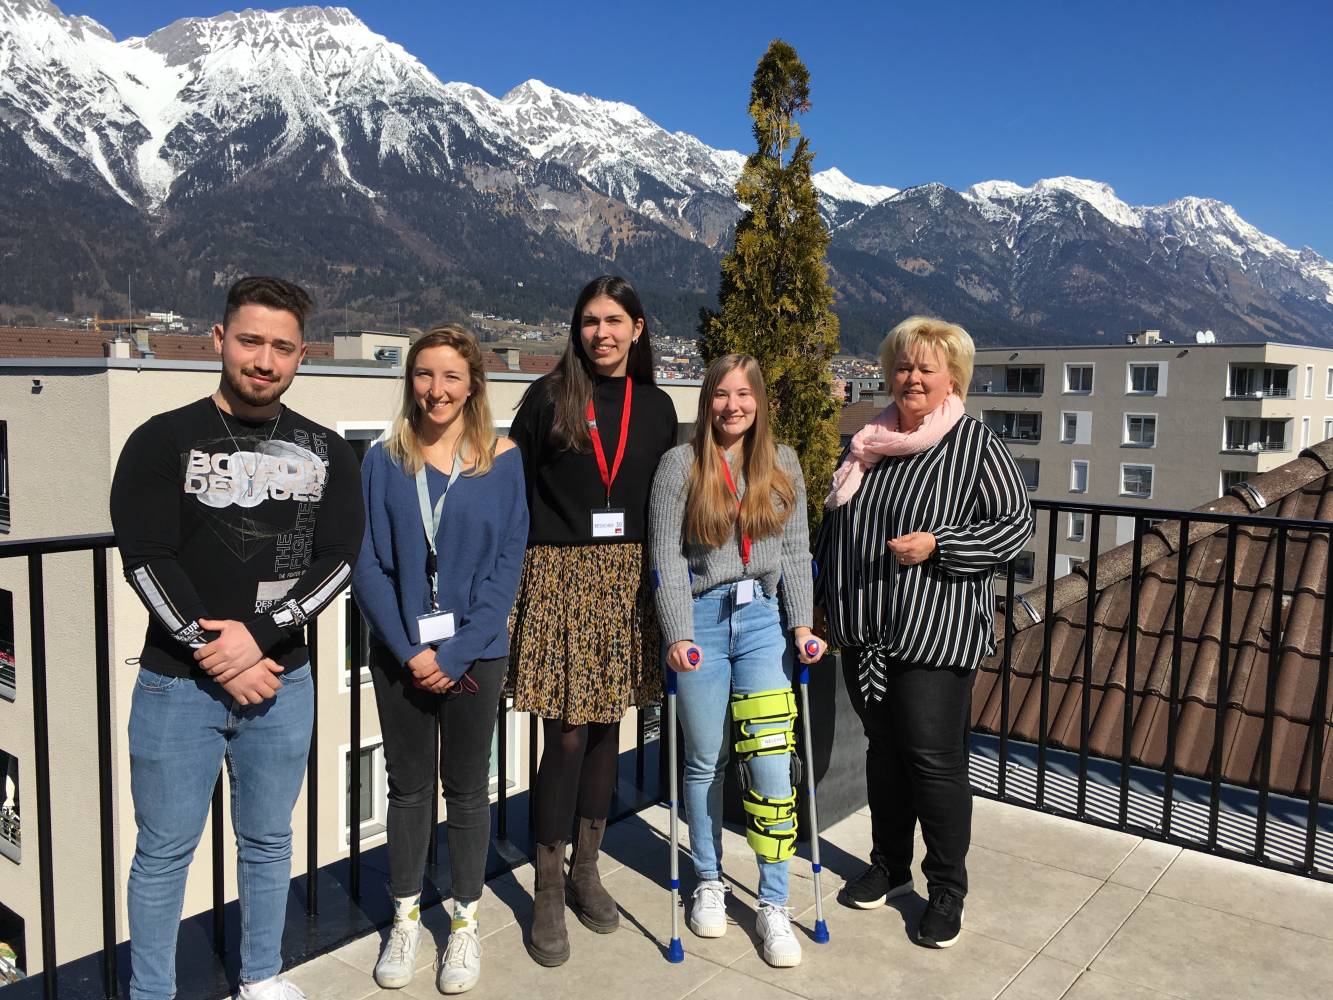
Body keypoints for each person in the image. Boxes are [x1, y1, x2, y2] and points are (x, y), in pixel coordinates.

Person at [110, 276, 364, 1000]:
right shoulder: (160, 440)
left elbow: (336, 561)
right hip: (175, 686)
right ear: (218, 340)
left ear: (302, 356)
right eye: (251, 340)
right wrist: (212, 652)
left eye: (282, 347)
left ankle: (260, 977)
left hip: (281, 683)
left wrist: (257, 639)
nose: (265, 359)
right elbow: (146, 559)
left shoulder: (328, 452)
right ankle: (151, 992)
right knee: (162, 853)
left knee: (267, 843)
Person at [813, 316, 1033, 949]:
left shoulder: (973, 444)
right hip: (864, 630)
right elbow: (836, 529)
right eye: (904, 366)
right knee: (883, 754)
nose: (912, 377)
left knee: (933, 763)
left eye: (925, 368)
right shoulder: (867, 440)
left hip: (933, 631)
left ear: (952, 378)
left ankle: (946, 890)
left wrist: (941, 545)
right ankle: (888, 865)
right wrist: (825, 602)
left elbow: (1015, 528)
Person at [351, 326, 527, 993]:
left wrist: (451, 654)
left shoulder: (502, 460)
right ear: (409, 381)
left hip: (476, 654)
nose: (436, 390)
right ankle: (403, 919)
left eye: (451, 376)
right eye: (424, 375)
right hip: (399, 653)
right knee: (408, 788)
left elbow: (506, 569)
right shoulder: (380, 460)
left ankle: (462, 926)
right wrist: (409, 649)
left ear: (473, 383)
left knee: (467, 791)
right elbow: (365, 564)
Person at [507, 275, 676, 966]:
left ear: (637, 328)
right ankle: (547, 885)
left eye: (613, 320)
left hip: (628, 582)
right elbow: (513, 497)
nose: (600, 333)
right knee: (568, 736)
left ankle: (586, 868)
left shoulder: (659, 407)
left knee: (609, 729)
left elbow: (670, 502)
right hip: (557, 577)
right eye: (587, 321)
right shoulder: (547, 398)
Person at [649, 354, 823, 968]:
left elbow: (797, 551)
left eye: (743, 394)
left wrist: (803, 625)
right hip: (701, 620)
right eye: (721, 394)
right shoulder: (678, 466)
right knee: (703, 760)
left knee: (772, 759)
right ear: (707, 401)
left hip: (762, 623)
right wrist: (674, 631)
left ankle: (774, 903)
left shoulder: (786, 465)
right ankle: (707, 880)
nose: (732, 406)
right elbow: (667, 559)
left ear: (759, 401)